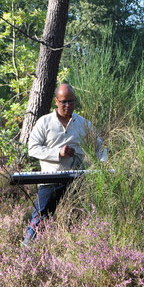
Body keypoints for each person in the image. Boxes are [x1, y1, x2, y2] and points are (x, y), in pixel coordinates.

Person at [24, 83, 107, 245]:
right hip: (50, 180)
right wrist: (58, 153)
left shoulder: (84, 124)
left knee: (78, 221)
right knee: (39, 221)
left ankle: (75, 254)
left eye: (71, 101)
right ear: (56, 101)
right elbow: (32, 148)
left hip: (77, 182)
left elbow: (100, 147)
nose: (68, 105)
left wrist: (101, 164)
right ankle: (27, 253)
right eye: (63, 102)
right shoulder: (44, 122)